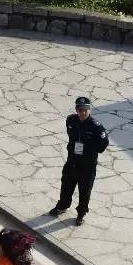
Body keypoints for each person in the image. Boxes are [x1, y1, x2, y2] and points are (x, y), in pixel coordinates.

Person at [48, 96, 109, 226]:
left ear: (89, 110)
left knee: (84, 192)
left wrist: (88, 149)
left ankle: (81, 213)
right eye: (79, 110)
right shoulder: (71, 120)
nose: (82, 113)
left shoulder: (96, 127)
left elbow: (103, 145)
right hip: (72, 162)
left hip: (87, 166)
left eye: (85, 110)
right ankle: (62, 206)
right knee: (66, 187)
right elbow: (71, 136)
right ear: (76, 110)